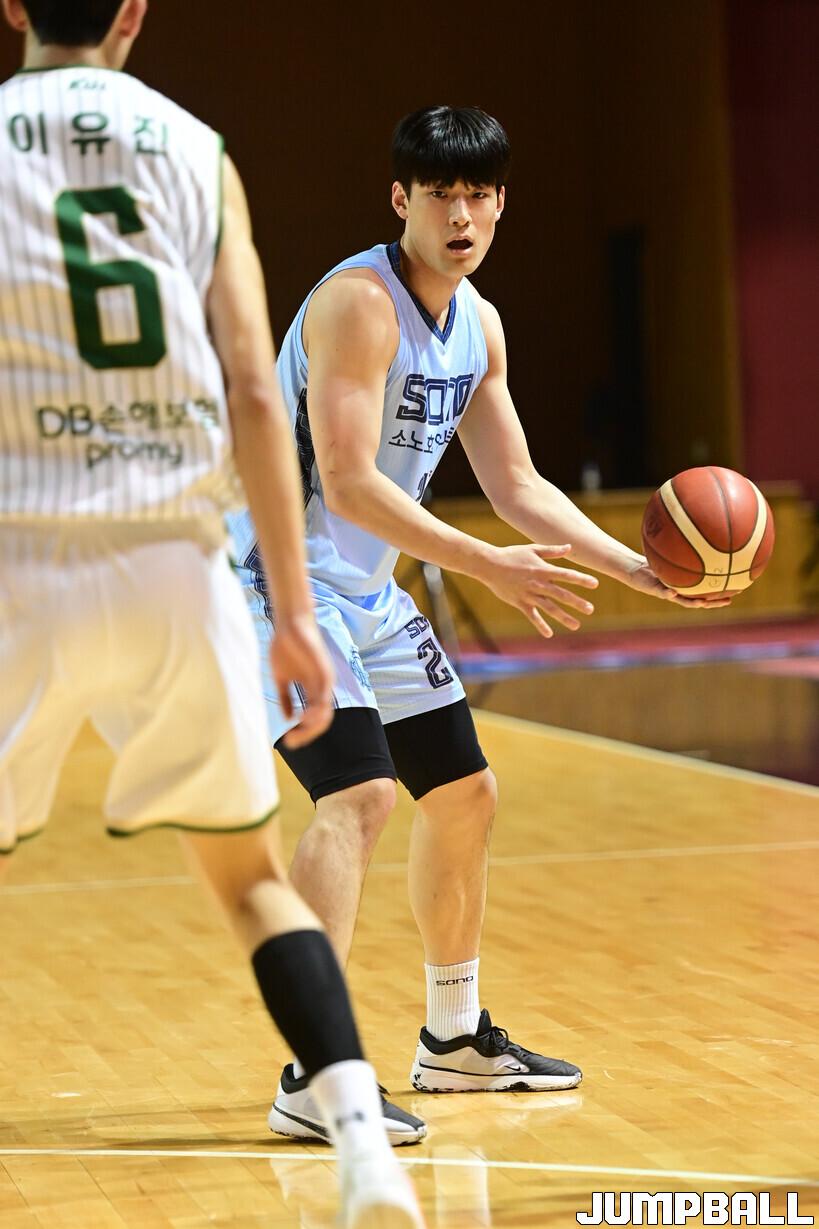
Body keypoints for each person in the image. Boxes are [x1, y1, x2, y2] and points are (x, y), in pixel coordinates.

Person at [229, 104, 733, 1145]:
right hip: (277, 583)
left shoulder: (479, 325)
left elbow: (516, 484)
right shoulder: (359, 305)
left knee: (464, 794)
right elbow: (350, 481)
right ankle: (314, 1072)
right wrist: (487, 565)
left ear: (501, 203)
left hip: (365, 592)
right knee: (359, 795)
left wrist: (635, 567)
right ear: (400, 198)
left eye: (478, 195)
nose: (459, 215)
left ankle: (453, 1040)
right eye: (438, 194)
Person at [0, 2, 425, 1225]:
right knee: (248, 879)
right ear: (134, 10)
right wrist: (290, 609)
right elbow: (250, 385)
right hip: (175, 562)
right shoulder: (197, 149)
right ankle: (362, 1145)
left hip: (24, 549)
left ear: (14, 7)